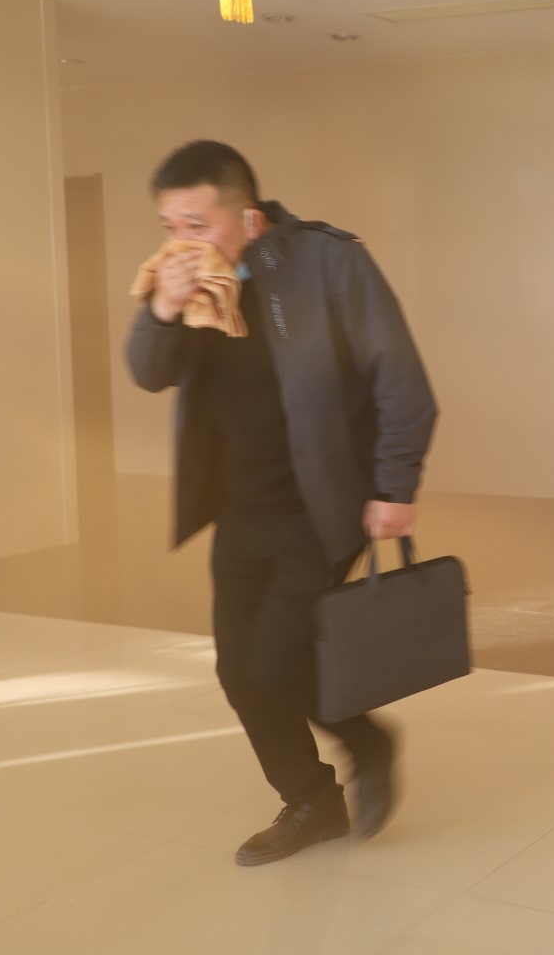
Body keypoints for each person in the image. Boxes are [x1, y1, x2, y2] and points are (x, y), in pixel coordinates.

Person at [126, 140, 437, 866]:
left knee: (273, 659)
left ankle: (366, 741)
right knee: (237, 669)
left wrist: (394, 486)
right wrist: (163, 307)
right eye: (171, 226)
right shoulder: (184, 284)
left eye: (197, 224)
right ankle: (310, 799)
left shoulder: (330, 262)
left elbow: (400, 378)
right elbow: (147, 372)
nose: (182, 241)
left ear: (249, 218)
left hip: (318, 504)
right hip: (238, 507)